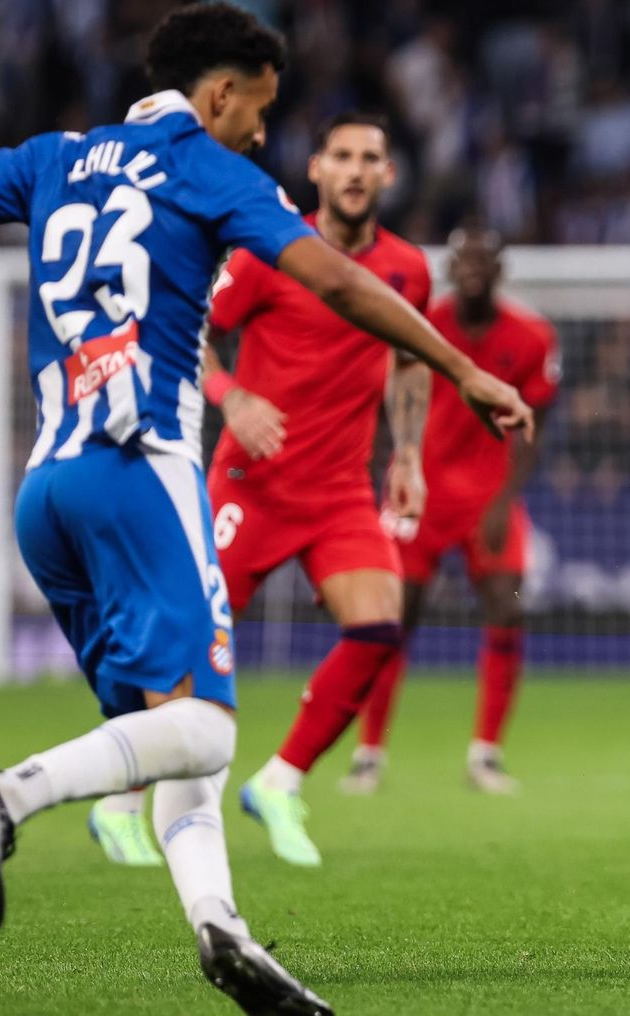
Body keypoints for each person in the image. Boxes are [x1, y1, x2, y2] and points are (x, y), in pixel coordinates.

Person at [0, 2, 530, 1016]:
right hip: (142, 473)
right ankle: (9, 792)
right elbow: (337, 280)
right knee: (205, 726)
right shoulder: (212, 170)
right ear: (216, 94)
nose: (261, 133)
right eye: (257, 110)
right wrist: (463, 366)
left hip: (48, 490)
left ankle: (222, 928)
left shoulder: (53, 155)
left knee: (172, 734)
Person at [88, 110, 437, 869]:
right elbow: (189, 328)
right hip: (252, 483)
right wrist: (231, 397)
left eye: (367, 157)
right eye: (339, 154)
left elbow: (410, 359)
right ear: (316, 169)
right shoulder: (272, 253)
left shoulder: (409, 268)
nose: (352, 169)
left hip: (341, 490)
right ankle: (120, 802)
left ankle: (279, 781)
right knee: (189, 642)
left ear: (388, 174)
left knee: (380, 623)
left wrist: (406, 454)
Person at [344, 223, 560, 795]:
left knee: (507, 609)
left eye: (481, 261)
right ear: (450, 269)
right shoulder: (422, 325)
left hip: (487, 496)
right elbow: (386, 393)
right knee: (395, 618)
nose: (471, 270)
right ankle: (369, 753)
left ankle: (485, 755)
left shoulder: (532, 337)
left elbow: (534, 427)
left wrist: (505, 500)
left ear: (498, 270)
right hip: (420, 489)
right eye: (461, 260)